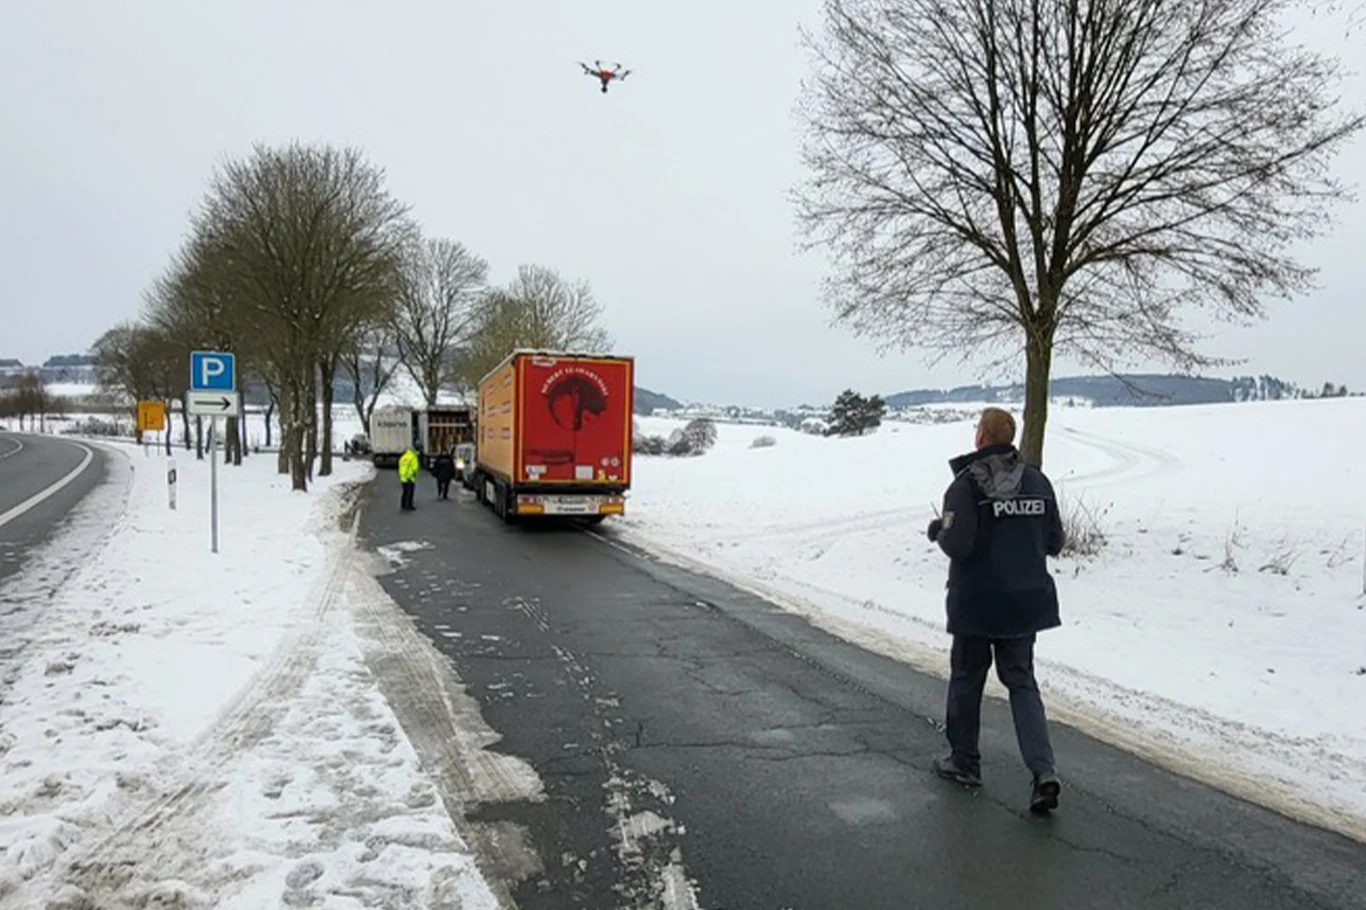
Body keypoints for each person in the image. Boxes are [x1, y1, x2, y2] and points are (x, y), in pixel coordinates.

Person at [926, 407, 1064, 813]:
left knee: (967, 680)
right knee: (1021, 683)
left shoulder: (966, 486)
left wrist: (940, 531)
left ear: (981, 437)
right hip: (1025, 602)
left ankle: (965, 762)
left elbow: (959, 544)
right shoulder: (1038, 482)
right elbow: (1054, 542)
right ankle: (1043, 771)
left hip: (977, 603)